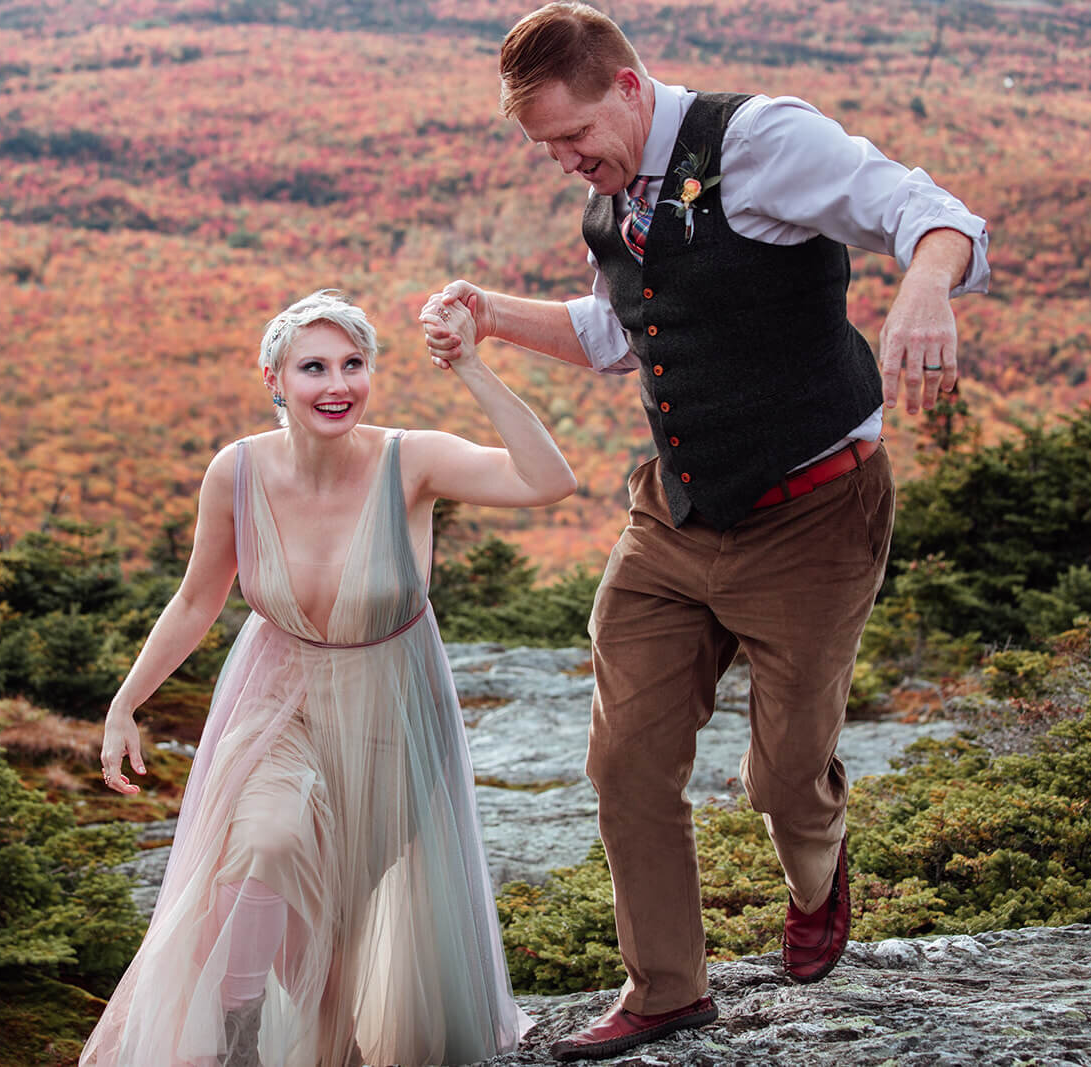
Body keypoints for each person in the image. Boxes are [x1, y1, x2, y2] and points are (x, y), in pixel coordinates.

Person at [423, 3, 990, 1061]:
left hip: (814, 512)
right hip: (674, 513)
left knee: (781, 775)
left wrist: (923, 284)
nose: (560, 161)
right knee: (624, 756)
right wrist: (488, 311)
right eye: (541, 145)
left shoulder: (762, 139)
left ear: (627, 88)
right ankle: (667, 988)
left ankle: (818, 870)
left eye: (570, 136)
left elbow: (926, 209)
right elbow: (614, 331)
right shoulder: (612, 196)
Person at [80, 289, 572, 1066]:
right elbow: (196, 597)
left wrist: (472, 365)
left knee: (342, 912)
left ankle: (330, 1047)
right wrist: (124, 700)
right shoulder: (235, 471)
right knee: (265, 846)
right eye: (313, 367)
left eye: (354, 364)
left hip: (391, 709)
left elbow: (549, 480)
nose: (337, 384)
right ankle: (235, 1036)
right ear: (274, 377)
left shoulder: (410, 459)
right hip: (278, 697)